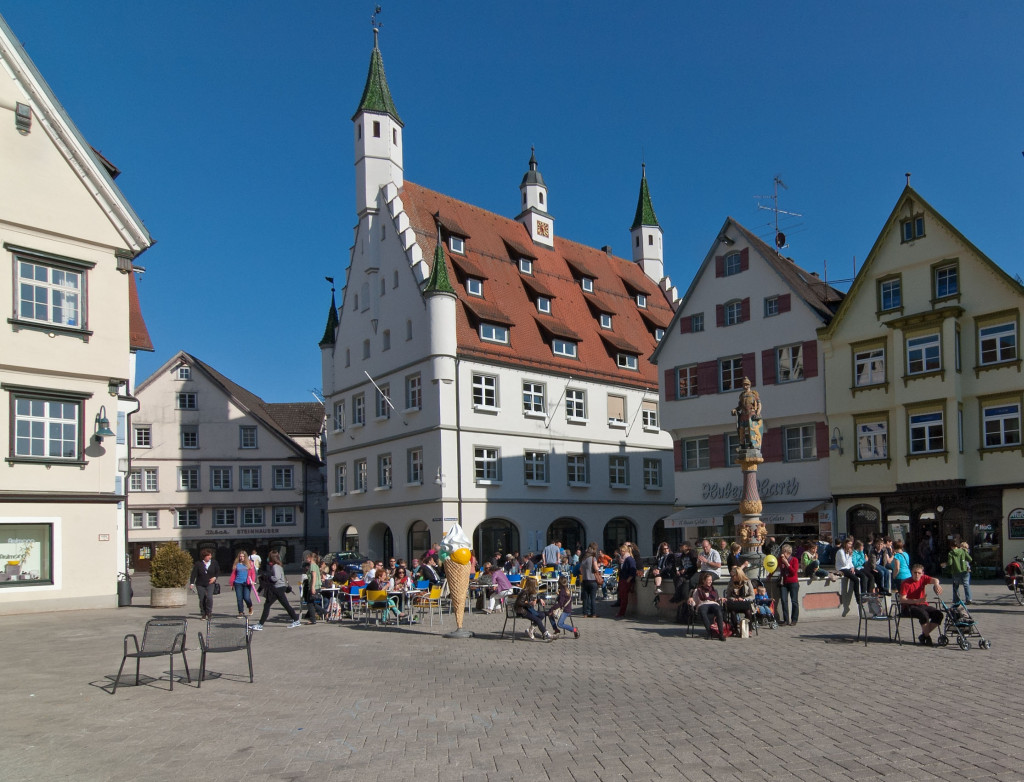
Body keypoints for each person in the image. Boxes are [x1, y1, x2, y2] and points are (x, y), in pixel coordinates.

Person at [252, 550, 301, 630]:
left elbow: (276, 578)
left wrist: (268, 577)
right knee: (285, 604)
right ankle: (296, 619)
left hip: (278, 588)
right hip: (280, 587)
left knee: (267, 605)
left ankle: (260, 624)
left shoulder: (275, 566)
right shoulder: (278, 565)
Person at [899, 564, 944, 646]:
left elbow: (935, 579)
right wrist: (917, 600)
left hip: (922, 604)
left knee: (938, 614)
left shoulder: (923, 578)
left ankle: (923, 635)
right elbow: (902, 599)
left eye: (919, 573)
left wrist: (936, 584)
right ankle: (927, 637)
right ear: (911, 572)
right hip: (908, 606)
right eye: (915, 572)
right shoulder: (906, 583)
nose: (917, 575)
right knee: (923, 614)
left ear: (922, 573)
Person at [688, 572, 727, 641]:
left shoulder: (713, 590)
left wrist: (721, 599)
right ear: (704, 580)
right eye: (709, 580)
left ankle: (721, 634)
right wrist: (691, 601)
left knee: (718, 611)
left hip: (713, 603)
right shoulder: (698, 590)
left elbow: (716, 599)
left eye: (711, 580)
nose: (710, 581)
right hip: (703, 604)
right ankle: (709, 632)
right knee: (703, 612)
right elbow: (695, 601)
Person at [188, 548, 221, 620]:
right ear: (204, 556)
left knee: (209, 597)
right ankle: (203, 613)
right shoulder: (198, 563)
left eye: (210, 555)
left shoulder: (214, 562)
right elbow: (194, 574)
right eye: (208, 555)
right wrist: (191, 583)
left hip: (210, 583)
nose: (210, 557)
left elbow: (218, 571)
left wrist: (214, 577)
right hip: (200, 584)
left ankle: (209, 612)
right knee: (202, 599)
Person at [722, 566, 754, 634]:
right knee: (733, 612)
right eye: (732, 576)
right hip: (735, 603)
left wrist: (744, 599)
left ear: (738, 575)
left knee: (748, 611)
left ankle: (749, 629)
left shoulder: (747, 582)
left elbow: (752, 596)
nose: (732, 578)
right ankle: (735, 629)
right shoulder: (731, 582)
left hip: (745, 603)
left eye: (734, 576)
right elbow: (728, 596)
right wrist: (734, 599)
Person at [776, 543, 800, 626]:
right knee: (783, 600)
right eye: (782, 551)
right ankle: (786, 620)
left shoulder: (794, 560)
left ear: (788, 552)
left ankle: (794, 619)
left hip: (793, 582)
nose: (782, 554)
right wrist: (769, 575)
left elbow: (794, 572)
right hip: (784, 583)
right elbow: (776, 567)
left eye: (783, 552)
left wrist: (787, 564)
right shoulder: (780, 559)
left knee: (794, 601)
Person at [229, 549, 253, 618]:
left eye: (243, 556)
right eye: (240, 556)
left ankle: (250, 606)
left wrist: (253, 580)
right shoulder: (236, 564)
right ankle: (241, 612)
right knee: (239, 598)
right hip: (237, 583)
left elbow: (252, 573)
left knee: (246, 597)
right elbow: (233, 574)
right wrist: (231, 583)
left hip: (246, 583)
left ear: (245, 557)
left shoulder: (249, 563)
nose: (241, 558)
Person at [616, 544, 637, 618]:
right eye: (621, 551)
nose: (621, 552)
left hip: (626, 580)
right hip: (622, 579)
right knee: (622, 596)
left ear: (626, 551)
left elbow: (633, 570)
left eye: (623, 551)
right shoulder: (623, 559)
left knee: (624, 597)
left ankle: (622, 612)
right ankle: (621, 612)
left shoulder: (629, 559)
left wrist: (629, 579)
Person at [579, 543, 600, 618]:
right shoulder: (592, 558)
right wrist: (598, 566)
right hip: (592, 580)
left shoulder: (583, 559)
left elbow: (580, 570)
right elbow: (596, 568)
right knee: (593, 598)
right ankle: (593, 613)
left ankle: (585, 613)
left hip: (585, 580)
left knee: (585, 598)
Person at [301, 550, 322, 625]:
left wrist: (312, 587)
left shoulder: (313, 565)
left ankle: (313, 619)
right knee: (311, 602)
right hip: (315, 585)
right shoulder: (315, 565)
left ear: (310, 558)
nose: (306, 559)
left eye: (307, 558)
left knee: (310, 603)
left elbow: (314, 576)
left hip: (314, 586)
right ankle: (324, 612)